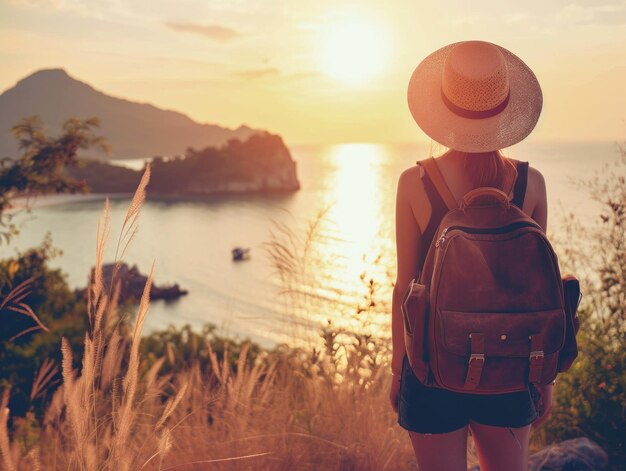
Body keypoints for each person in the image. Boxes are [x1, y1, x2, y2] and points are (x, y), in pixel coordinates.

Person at [390, 40, 553, 471]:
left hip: (429, 368)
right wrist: (544, 377)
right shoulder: (530, 184)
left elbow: (404, 288)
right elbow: (539, 295)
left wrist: (396, 370)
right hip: (511, 367)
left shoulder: (414, 183)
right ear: (505, 109)